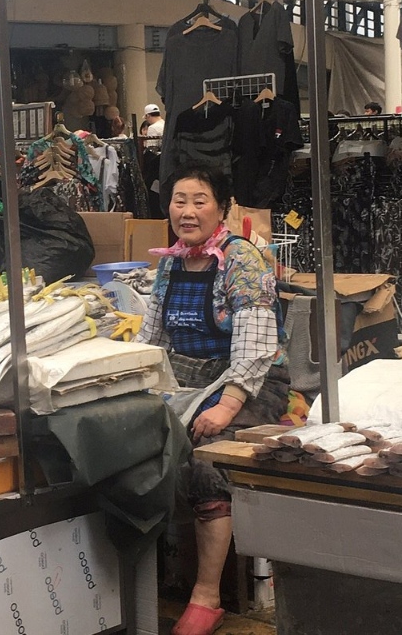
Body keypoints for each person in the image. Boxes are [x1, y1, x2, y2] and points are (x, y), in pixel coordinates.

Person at [136, 163, 288, 635]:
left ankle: (207, 596)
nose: (187, 211)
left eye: (199, 201)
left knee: (205, 458)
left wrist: (227, 403)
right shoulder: (170, 263)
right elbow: (151, 339)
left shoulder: (242, 260)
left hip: (250, 381)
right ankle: (146, 580)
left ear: (221, 209)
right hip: (185, 378)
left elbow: (255, 347)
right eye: (179, 200)